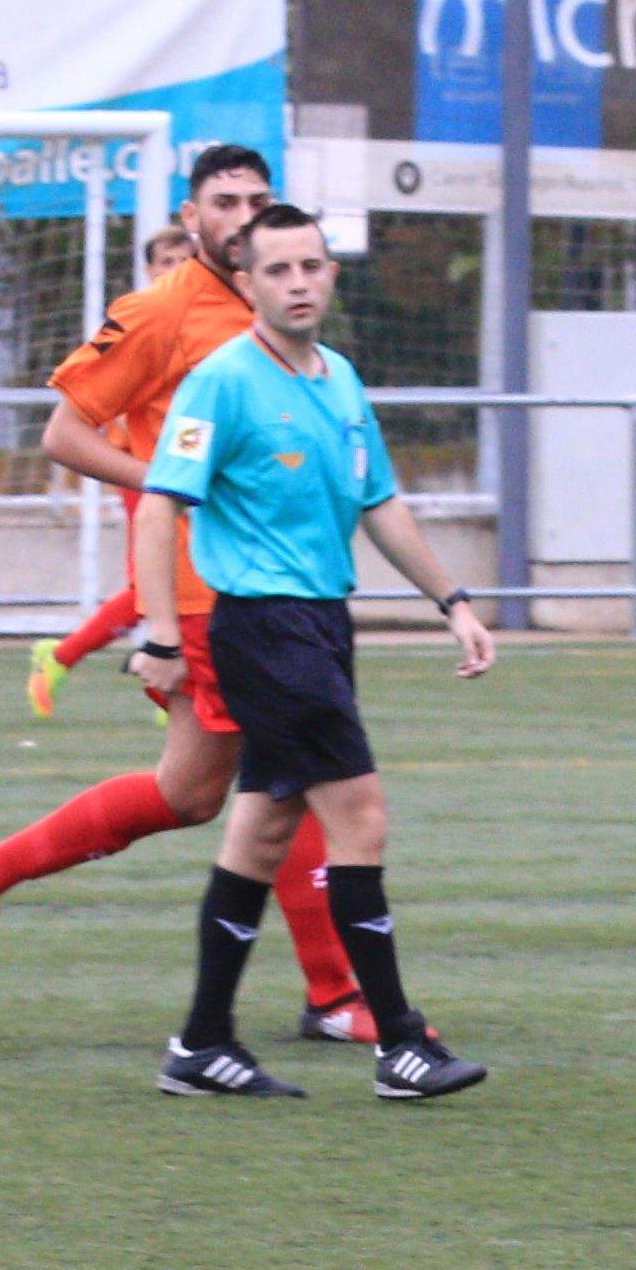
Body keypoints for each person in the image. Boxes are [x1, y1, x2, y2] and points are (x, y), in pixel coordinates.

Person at [0, 146, 377, 1048]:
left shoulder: (270, 305)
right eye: (225, 202)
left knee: (194, 793)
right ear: (191, 213)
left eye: (257, 199)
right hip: (208, 593)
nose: (243, 214)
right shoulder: (163, 312)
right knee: (286, 775)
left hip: (271, 586)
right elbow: (64, 433)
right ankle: (333, 996)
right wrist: (174, 482)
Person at [132, 203, 496, 1105]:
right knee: (360, 817)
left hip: (322, 626)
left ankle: (203, 1043)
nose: (298, 282)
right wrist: (159, 637)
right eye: (279, 270)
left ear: (332, 275)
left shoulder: (339, 378)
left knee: (260, 833)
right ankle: (401, 1045)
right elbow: (157, 505)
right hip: (262, 627)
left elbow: (381, 502)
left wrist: (451, 601)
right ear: (247, 284)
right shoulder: (220, 380)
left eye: (313, 266)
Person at [25, 224, 203, 719]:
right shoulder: (144, 321)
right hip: (142, 472)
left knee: (183, 582)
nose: (176, 271)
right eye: (166, 262)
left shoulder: (203, 321)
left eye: (184, 261)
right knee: (152, 586)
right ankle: (66, 657)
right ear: (149, 270)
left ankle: (173, 683)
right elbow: (98, 405)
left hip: (189, 476)